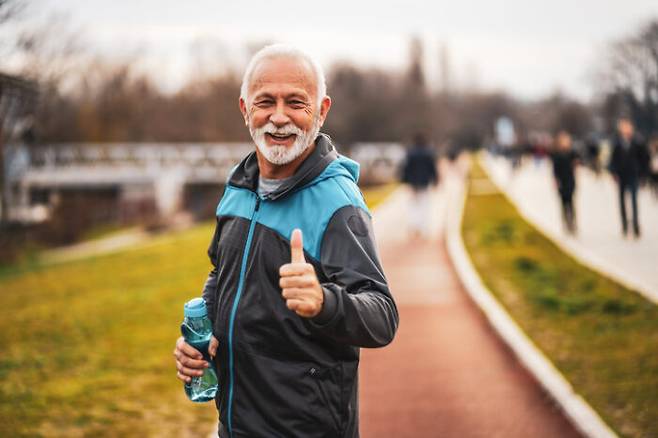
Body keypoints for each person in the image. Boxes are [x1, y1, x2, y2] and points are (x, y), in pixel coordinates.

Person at [173, 44, 399, 438]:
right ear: (245, 109)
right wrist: (201, 333)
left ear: (321, 110)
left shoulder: (337, 202)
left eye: (296, 102)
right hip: (235, 421)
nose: (279, 117)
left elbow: (382, 315)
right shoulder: (239, 185)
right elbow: (221, 271)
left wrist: (324, 302)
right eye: (266, 102)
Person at [608, 117, 650, 238]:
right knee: (622, 202)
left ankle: (636, 225)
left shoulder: (638, 142)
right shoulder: (616, 142)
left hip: (633, 175)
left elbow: (644, 159)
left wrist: (643, 175)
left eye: (627, 126)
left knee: (634, 201)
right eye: (623, 126)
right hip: (621, 176)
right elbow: (612, 160)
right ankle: (625, 226)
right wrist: (613, 172)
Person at [400, 133, 438, 238]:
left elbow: (405, 169)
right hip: (425, 183)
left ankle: (414, 225)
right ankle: (423, 227)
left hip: (413, 183)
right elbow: (433, 169)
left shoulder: (410, 153)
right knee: (425, 205)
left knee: (413, 205)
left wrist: (405, 181)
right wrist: (436, 181)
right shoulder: (429, 153)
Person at [549, 131, 579, 234]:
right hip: (562, 182)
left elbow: (578, 161)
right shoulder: (557, 155)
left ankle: (573, 223)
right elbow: (555, 169)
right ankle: (565, 223)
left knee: (571, 202)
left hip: (570, 181)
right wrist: (556, 180)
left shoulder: (572, 153)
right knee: (563, 203)